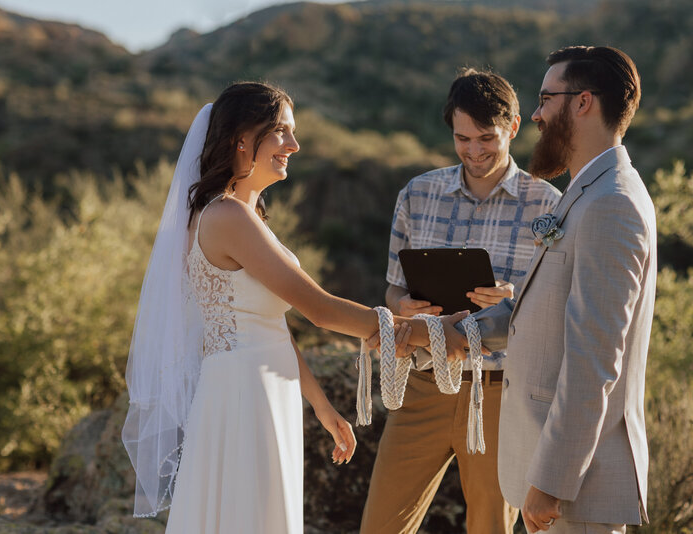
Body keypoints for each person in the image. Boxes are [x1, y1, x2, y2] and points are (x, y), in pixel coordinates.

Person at [121, 82, 455, 533]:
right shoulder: (228, 217)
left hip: (262, 387)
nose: (294, 146)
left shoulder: (240, 215)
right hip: (244, 395)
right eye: (281, 132)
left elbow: (267, 325)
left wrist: (320, 405)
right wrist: (427, 334)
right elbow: (318, 308)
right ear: (242, 137)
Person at [456, 46, 656, 533]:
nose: (539, 114)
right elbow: (545, 321)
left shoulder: (612, 203)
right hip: (557, 481)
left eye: (547, 99)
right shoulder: (586, 192)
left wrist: (552, 481)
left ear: (583, 102)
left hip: (576, 489)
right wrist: (436, 332)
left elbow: (595, 359)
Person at [360, 69, 561, 534]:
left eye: (486, 138)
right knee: (380, 525)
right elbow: (392, 288)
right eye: (462, 137)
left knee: (491, 528)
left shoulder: (547, 205)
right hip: (421, 386)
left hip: (498, 394)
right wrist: (403, 305)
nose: (474, 150)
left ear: (513, 127)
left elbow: (553, 309)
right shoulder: (416, 194)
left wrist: (515, 297)